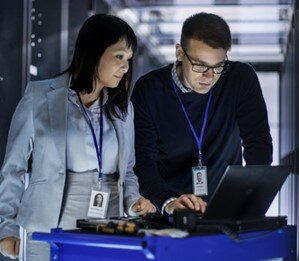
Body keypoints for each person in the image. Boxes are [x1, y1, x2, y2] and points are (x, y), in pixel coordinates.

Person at [0, 14, 156, 260]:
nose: (126, 67)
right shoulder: (39, 97)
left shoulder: (123, 110)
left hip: (107, 229)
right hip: (49, 227)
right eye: (119, 56)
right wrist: (5, 228)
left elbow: (127, 173)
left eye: (129, 59)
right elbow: (13, 169)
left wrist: (133, 202)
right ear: (94, 52)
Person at [132, 12, 273, 215]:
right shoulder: (149, 89)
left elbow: (257, 143)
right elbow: (143, 160)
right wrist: (168, 201)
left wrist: (250, 199)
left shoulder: (239, 79)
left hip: (226, 207)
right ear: (179, 53)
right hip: (170, 207)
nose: (209, 76)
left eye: (218, 66)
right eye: (200, 65)